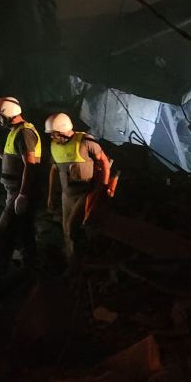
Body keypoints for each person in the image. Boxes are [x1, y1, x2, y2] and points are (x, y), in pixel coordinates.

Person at [44, 112, 110, 271]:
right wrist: (51, 195)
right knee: (66, 229)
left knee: (72, 227)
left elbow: (105, 163)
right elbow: (54, 170)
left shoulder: (86, 142)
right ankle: (71, 259)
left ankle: (79, 263)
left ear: (62, 130)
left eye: (54, 133)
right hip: (67, 195)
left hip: (85, 193)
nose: (52, 137)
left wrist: (103, 190)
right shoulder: (54, 146)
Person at [0, 96, 40, 278]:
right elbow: (11, 160)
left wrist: (23, 195)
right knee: (25, 235)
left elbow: (30, 165)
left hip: (18, 192)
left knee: (2, 237)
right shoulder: (16, 131)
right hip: (14, 192)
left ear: (8, 113)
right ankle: (30, 274)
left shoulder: (24, 133)